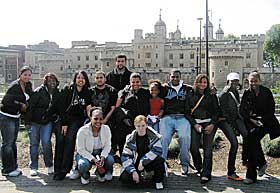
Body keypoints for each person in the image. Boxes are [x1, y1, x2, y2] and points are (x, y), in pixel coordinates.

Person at [240, 71, 280, 184]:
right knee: (252, 140)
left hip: (267, 123)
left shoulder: (266, 92)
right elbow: (242, 110)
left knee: (252, 140)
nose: (253, 83)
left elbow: (271, 110)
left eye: (255, 81)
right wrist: (252, 120)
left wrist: (261, 121)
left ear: (259, 81)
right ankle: (257, 169)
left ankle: (256, 170)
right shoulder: (247, 93)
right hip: (253, 122)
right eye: (251, 81)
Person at [53, 70, 91, 180]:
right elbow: (61, 107)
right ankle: (57, 169)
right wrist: (64, 123)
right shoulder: (67, 90)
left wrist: (92, 119)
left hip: (77, 119)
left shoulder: (87, 92)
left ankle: (65, 169)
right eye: (78, 77)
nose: (81, 80)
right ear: (74, 79)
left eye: (83, 78)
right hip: (64, 118)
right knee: (60, 141)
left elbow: (88, 107)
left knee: (70, 140)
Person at [0, 66, 32, 177]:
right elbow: (6, 101)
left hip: (15, 116)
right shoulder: (14, 86)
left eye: (29, 75)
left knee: (12, 143)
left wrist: (25, 106)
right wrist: (20, 105)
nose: (27, 77)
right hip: (7, 117)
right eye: (25, 74)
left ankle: (13, 166)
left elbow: (29, 99)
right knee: (7, 144)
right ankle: (7, 169)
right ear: (20, 74)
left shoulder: (28, 85)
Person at [159, 69, 192, 175]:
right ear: (169, 77)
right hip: (167, 117)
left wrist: (211, 90)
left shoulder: (187, 89)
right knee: (163, 138)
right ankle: (161, 163)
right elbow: (152, 90)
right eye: (173, 77)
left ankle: (184, 163)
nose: (175, 79)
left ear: (180, 77)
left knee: (184, 137)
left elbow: (200, 90)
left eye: (177, 77)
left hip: (182, 117)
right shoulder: (164, 89)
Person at [25, 73, 60, 176]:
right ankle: (33, 167)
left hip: (47, 122)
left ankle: (49, 165)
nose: (51, 82)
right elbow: (30, 107)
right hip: (35, 122)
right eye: (49, 81)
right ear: (45, 82)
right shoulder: (39, 91)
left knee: (46, 143)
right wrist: (27, 122)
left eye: (53, 80)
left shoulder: (57, 92)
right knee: (34, 144)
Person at [120, 115, 165, 190]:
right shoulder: (130, 139)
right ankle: (139, 176)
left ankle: (158, 180)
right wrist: (133, 171)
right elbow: (125, 156)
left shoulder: (154, 136)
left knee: (160, 161)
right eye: (138, 126)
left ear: (147, 125)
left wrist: (143, 161)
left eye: (143, 125)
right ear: (135, 126)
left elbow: (157, 150)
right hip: (136, 162)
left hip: (149, 161)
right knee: (124, 178)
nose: (141, 128)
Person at [189, 74, 219, 184]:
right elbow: (187, 112)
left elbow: (217, 112)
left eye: (205, 82)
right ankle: (199, 167)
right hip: (196, 123)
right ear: (196, 83)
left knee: (207, 149)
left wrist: (212, 124)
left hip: (208, 123)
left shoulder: (211, 95)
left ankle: (206, 173)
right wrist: (194, 124)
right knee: (193, 147)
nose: (203, 84)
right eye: (200, 82)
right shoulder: (191, 94)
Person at [217, 72, 248, 181]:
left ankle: (245, 160)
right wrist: (234, 128)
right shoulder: (224, 94)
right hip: (225, 121)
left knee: (247, 135)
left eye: (236, 81)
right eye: (232, 81)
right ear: (228, 82)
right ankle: (231, 171)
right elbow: (225, 114)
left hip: (233, 119)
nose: (234, 83)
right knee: (234, 144)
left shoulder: (234, 91)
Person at [75, 107, 114, 185]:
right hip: (86, 154)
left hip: (100, 153)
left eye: (100, 119)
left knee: (110, 160)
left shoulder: (106, 129)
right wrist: (93, 159)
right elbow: (81, 150)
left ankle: (100, 172)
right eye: (95, 119)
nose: (98, 121)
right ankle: (84, 175)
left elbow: (107, 146)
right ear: (90, 117)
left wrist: (102, 157)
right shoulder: (82, 131)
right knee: (83, 164)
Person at [114, 73, 150, 155]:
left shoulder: (145, 92)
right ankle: (123, 154)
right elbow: (118, 107)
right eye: (133, 82)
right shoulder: (125, 93)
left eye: (137, 82)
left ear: (140, 82)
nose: (135, 84)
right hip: (128, 120)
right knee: (121, 133)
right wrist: (124, 118)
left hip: (142, 120)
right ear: (130, 82)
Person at [90, 71, 118, 155]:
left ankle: (110, 152)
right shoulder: (90, 91)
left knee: (112, 129)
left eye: (101, 77)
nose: (99, 80)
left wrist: (105, 119)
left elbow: (113, 108)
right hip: (93, 118)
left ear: (105, 79)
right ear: (95, 79)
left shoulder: (111, 90)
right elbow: (89, 107)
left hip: (107, 117)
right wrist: (93, 120)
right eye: (97, 78)